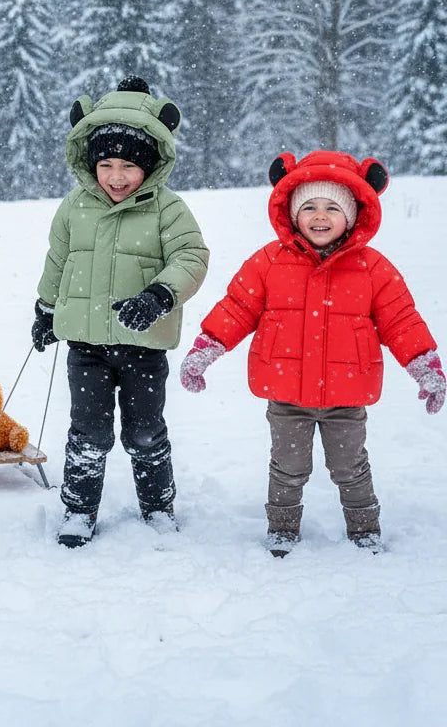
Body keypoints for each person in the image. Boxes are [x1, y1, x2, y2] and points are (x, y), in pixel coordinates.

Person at [179, 150, 445, 555]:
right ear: (292, 212)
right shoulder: (269, 261)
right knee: (288, 468)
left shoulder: (373, 269)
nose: (320, 216)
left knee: (350, 468)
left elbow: (402, 322)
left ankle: (364, 529)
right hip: (286, 394)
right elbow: (236, 308)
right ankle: (282, 528)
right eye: (309, 206)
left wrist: (426, 368)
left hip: (346, 395)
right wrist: (205, 350)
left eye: (332, 207)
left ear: (353, 214)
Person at [32, 76, 209, 547]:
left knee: (146, 432)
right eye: (106, 163)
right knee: (87, 432)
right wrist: (46, 309)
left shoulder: (167, 210)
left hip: (144, 347)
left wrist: (158, 296)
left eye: (128, 165)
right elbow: (58, 259)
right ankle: (77, 510)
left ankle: (158, 505)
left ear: (149, 166)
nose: (115, 176)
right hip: (86, 347)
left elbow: (191, 258)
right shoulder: (75, 207)